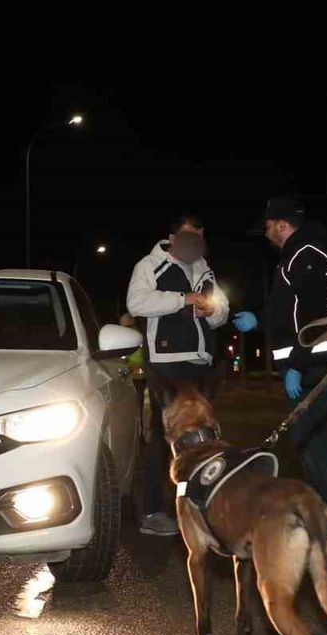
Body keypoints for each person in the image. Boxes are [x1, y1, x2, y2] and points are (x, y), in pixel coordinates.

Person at [230, 196, 327, 517]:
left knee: (310, 442)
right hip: (307, 363)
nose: (266, 233)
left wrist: (297, 363)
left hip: (311, 364)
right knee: (308, 441)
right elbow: (287, 311)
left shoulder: (305, 253)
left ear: (282, 225)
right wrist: (259, 319)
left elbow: (313, 314)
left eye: (268, 226)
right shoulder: (295, 254)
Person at [126, 213, 229, 536]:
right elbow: (137, 302)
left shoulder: (204, 268)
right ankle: (154, 511)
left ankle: (202, 506)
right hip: (165, 362)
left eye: (199, 237)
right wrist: (184, 299)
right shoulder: (150, 265)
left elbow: (222, 312)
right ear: (172, 239)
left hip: (201, 362)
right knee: (163, 436)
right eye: (188, 237)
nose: (194, 243)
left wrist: (212, 310)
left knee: (204, 435)